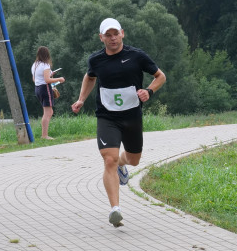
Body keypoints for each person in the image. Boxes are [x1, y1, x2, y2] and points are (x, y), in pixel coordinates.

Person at [71, 18, 166, 228]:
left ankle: (123, 166)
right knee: (109, 160)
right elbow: (90, 77)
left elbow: (160, 76)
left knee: (133, 160)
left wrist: (149, 91)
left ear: (122, 33)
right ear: (101, 37)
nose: (112, 38)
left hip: (132, 117)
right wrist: (81, 99)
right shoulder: (96, 60)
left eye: (116, 33)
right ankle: (115, 209)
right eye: (108, 35)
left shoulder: (137, 56)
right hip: (107, 117)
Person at [31, 46, 65, 140]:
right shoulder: (45, 65)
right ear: (47, 55)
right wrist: (59, 79)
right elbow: (47, 80)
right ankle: (44, 135)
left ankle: (44, 134)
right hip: (45, 89)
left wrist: (50, 74)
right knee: (48, 112)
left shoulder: (35, 65)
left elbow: (35, 79)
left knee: (48, 111)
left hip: (37, 88)